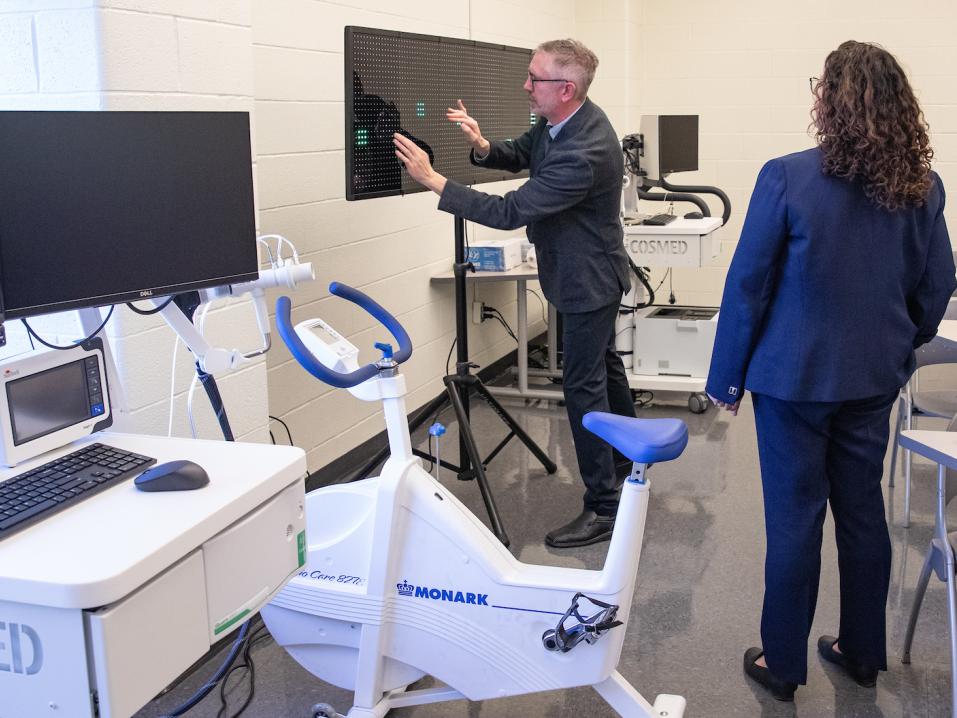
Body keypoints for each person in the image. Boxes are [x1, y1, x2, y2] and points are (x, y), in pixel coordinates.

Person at [706, 40, 957, 702]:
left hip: (790, 381)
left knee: (794, 520)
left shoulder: (785, 176)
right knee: (861, 513)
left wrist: (725, 379)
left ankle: (782, 663)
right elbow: (938, 284)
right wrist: (902, 345)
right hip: (871, 379)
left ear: (827, 101)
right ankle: (861, 651)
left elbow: (747, 286)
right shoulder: (920, 185)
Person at [393, 38, 635, 548]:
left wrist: (435, 180)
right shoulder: (563, 122)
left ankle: (605, 506)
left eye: (535, 78)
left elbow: (509, 213)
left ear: (565, 89)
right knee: (604, 368)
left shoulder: (584, 151)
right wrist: (483, 146)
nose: (525, 85)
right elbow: (523, 152)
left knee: (583, 385)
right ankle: (628, 463)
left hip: (588, 279)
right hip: (585, 273)